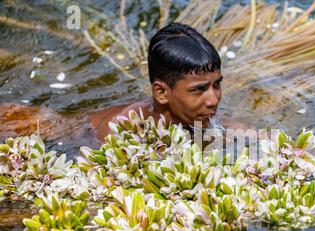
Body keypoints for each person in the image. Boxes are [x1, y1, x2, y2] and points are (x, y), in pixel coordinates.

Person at [0, 23, 224, 143]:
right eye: (199, 89)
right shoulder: (120, 132)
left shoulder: (202, 119)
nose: (214, 99)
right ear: (161, 93)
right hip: (55, 128)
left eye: (217, 85)